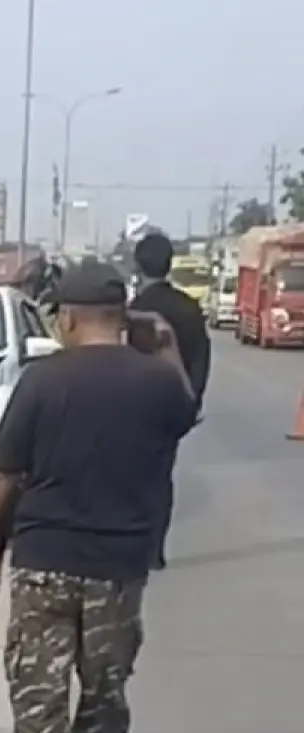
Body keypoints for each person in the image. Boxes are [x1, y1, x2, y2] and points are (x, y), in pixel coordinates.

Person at [0, 261, 197, 733]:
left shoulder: (42, 382)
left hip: (45, 559)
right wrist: (168, 345)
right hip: (119, 566)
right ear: (125, 319)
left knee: (38, 693)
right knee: (105, 681)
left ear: (66, 318)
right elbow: (185, 413)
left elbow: (5, 473)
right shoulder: (156, 382)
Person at [128, 231, 211, 569]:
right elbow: (203, 358)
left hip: (133, 407)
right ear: (169, 264)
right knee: (162, 476)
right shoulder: (189, 308)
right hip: (175, 404)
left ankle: (134, 544)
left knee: (132, 475)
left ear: (138, 264)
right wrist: (192, 403)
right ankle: (155, 551)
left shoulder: (135, 311)